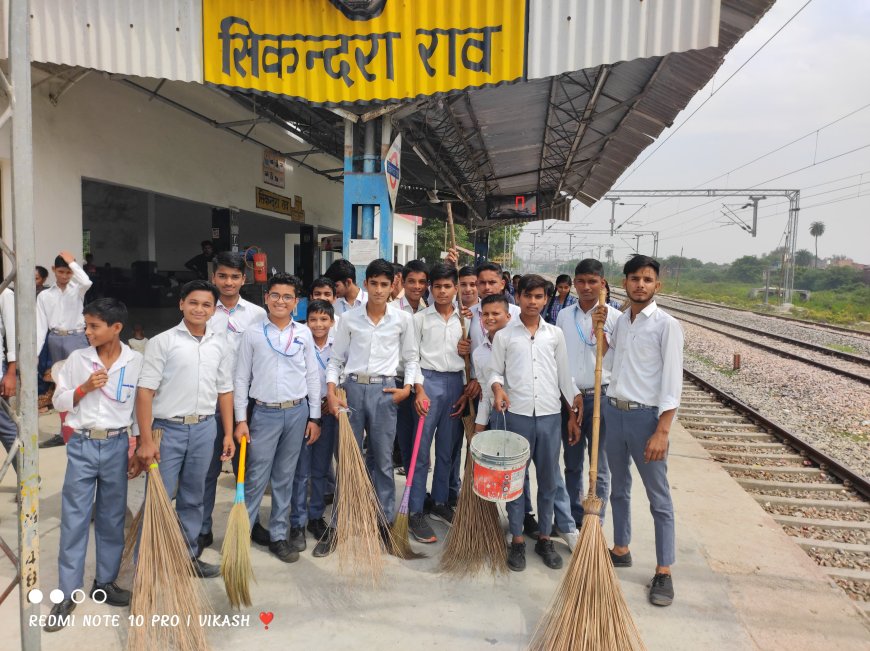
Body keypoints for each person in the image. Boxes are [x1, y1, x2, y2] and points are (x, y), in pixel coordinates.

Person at [45, 298, 143, 631]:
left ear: (116, 328)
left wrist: (140, 446)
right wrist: (84, 388)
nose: (87, 332)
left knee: (112, 517)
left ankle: (105, 582)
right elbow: (58, 399)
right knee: (74, 517)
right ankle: (67, 592)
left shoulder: (135, 361)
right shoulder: (78, 359)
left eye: (93, 326)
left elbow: (139, 409)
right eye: (86, 325)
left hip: (117, 444)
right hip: (83, 444)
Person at [318, 259, 420, 557]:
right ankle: (338, 524)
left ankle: (385, 523)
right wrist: (332, 392)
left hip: (385, 391)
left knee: (383, 461)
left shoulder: (403, 320)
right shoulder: (349, 320)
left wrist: (407, 389)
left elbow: (412, 358)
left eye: (384, 284)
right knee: (349, 458)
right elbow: (336, 360)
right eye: (373, 283)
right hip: (351, 391)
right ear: (365, 284)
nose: (378, 289)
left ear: (392, 287)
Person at [135, 280, 235, 578]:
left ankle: (188, 555)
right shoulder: (162, 342)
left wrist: (227, 433)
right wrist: (144, 440)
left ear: (214, 310)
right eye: (193, 302)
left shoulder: (220, 342)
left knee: (194, 496)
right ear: (181, 304)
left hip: (205, 428)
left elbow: (225, 390)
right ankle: (149, 566)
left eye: (206, 305)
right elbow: (145, 393)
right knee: (159, 498)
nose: (199, 309)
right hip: (167, 431)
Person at [490, 274, 583, 572]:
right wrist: (497, 388)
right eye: (527, 296)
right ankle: (517, 538)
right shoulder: (505, 335)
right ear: (518, 298)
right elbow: (495, 372)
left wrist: (573, 405)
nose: (533, 302)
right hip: (516, 415)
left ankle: (544, 536)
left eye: (539, 297)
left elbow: (564, 376)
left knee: (548, 481)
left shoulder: (554, 335)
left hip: (548, 416)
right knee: (515, 481)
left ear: (546, 299)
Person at [605, 255, 683, 607]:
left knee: (659, 498)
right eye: (634, 278)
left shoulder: (667, 326)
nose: (640, 284)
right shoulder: (622, 321)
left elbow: (671, 383)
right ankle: (621, 548)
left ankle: (664, 570)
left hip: (646, 420)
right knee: (618, 488)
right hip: (614, 413)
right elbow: (612, 362)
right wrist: (599, 334)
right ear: (625, 282)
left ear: (657, 285)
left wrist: (663, 430)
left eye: (647, 279)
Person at [233, 273, 321, 563]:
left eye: (287, 297)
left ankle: (279, 536)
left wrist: (314, 417)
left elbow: (311, 376)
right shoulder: (253, 333)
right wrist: (241, 419)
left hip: (297, 412)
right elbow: (241, 377)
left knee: (285, 477)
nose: (280, 301)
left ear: (296, 302)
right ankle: (241, 533)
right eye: (275, 295)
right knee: (256, 476)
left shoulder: (304, 333)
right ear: (266, 298)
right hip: (264, 414)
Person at [199, 251, 267, 552]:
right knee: (207, 469)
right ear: (214, 277)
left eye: (235, 276)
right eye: (223, 276)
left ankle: (250, 523)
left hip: (248, 403)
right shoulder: (202, 310)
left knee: (251, 465)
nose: (228, 282)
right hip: (209, 401)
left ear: (244, 279)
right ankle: (201, 527)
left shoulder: (256, 315)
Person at [556, 260, 621, 527]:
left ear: (602, 284)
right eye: (580, 281)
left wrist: (601, 329)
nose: (586, 287)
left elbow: (613, 360)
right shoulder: (564, 315)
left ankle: (595, 520)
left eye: (592, 281)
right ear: (573, 283)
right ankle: (572, 517)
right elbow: (561, 359)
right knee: (572, 462)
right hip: (571, 397)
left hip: (601, 397)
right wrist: (569, 395)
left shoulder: (616, 319)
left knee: (600, 466)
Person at [408, 263, 466, 543]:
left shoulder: (465, 321)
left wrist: (468, 352)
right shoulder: (420, 319)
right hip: (427, 384)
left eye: (448, 286)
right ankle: (415, 511)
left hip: (455, 383)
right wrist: (419, 390)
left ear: (456, 289)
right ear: (430, 288)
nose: (442, 292)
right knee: (421, 453)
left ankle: (440, 503)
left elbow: (478, 355)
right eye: (438, 286)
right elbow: (412, 358)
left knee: (448, 449)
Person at [288, 299, 336, 547]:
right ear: (306, 322)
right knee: (300, 470)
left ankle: (316, 517)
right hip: (302, 411)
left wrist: (333, 399)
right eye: (313, 319)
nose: (318, 325)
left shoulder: (338, 346)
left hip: (328, 413)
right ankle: (296, 521)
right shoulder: (299, 343)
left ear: (332, 321)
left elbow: (341, 374)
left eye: (324, 319)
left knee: (320, 468)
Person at [37, 251, 94, 448]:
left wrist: (72, 263)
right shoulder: (45, 295)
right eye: (61, 272)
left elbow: (87, 281)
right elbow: (40, 325)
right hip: (54, 339)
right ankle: (64, 431)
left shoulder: (78, 289)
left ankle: (83, 427)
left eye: (68, 272)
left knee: (80, 384)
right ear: (53, 270)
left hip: (76, 338)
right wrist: (36, 354)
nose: (64, 276)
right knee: (60, 387)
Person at [391, 259, 429, 476]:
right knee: (404, 438)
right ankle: (410, 484)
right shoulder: (392, 311)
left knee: (421, 441)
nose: (417, 286)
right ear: (402, 282)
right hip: (399, 381)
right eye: (412, 281)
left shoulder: (430, 310)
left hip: (424, 382)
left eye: (422, 282)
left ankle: (418, 491)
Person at [0, 287, 18, 473]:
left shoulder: (4, 293)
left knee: (5, 427)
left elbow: (13, 335)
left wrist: (11, 373)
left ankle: (27, 476)